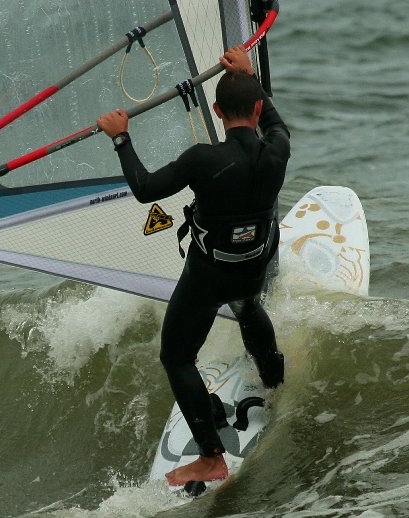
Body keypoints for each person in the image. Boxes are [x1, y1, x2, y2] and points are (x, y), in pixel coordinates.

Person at [96, 45, 290, 486]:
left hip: (206, 278)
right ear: (257, 108)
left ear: (217, 110)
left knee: (177, 357)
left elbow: (145, 189)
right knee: (246, 305)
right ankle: (274, 379)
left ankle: (211, 456)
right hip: (252, 265)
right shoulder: (277, 150)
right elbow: (275, 122)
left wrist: (121, 137)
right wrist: (248, 72)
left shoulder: (203, 159)